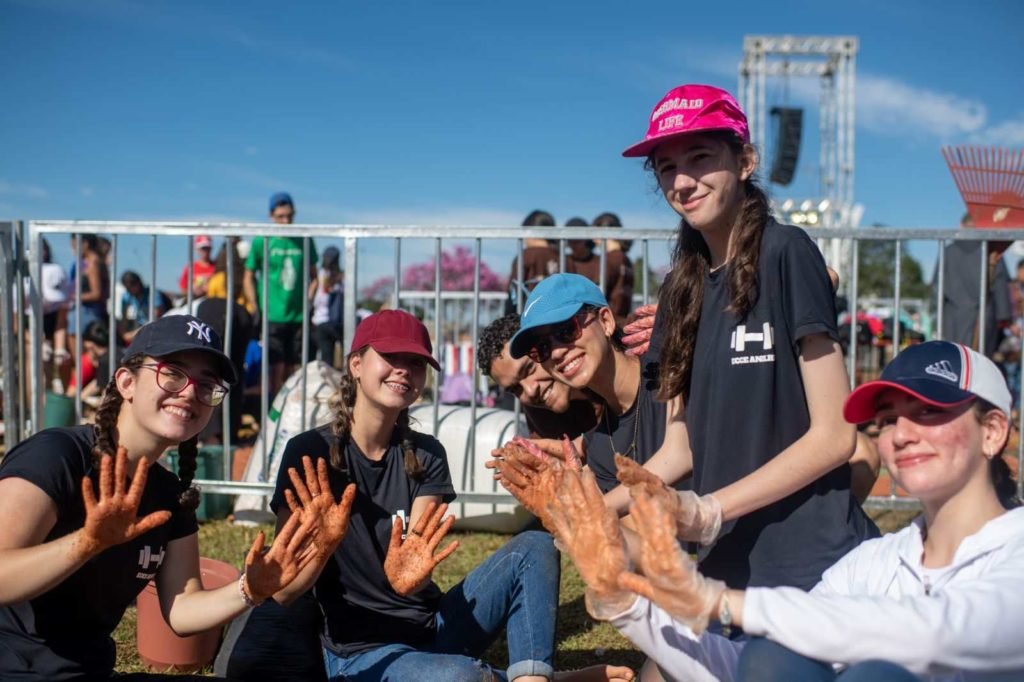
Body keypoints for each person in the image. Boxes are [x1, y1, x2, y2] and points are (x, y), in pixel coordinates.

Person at [549, 340, 1024, 681]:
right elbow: (739, 671)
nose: (900, 434)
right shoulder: (875, 562)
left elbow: (936, 635)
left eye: (928, 412)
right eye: (888, 420)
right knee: (767, 660)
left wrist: (719, 601)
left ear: (993, 431)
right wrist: (626, 602)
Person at [598, 83, 875, 591]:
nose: (682, 181)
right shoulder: (681, 291)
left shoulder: (787, 252)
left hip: (813, 565)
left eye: (700, 158)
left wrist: (711, 509)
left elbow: (836, 437)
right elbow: (679, 452)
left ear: (745, 160)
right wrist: (590, 510)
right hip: (727, 565)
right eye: (665, 167)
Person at [270, 309, 633, 682]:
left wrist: (410, 578)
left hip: (436, 627)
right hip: (361, 653)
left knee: (535, 547)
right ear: (357, 364)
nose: (403, 370)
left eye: (415, 362)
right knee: (460, 677)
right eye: (391, 357)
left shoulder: (427, 453)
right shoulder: (309, 452)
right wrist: (324, 548)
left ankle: (531, 678)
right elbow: (283, 590)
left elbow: (414, 556)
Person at [0, 314, 316, 680]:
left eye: (206, 384)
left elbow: (182, 610)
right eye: (172, 373)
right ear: (126, 382)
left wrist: (250, 589)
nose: (189, 392)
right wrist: (86, 544)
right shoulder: (57, 456)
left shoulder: (170, 495)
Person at [507, 274, 670, 495]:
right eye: (541, 348)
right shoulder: (602, 448)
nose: (556, 352)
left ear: (606, 321)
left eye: (566, 330)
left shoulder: (671, 375)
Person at [478, 312, 600, 441]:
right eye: (515, 389)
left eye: (529, 369)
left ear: (547, 345)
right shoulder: (538, 411)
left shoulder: (610, 367)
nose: (530, 391)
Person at [244, 192, 318, 397]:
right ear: (271, 215)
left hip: (298, 315)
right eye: (280, 217)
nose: (286, 221)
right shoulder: (262, 240)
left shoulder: (304, 238)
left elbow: (314, 277)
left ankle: (293, 418)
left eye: (289, 216)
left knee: (296, 371)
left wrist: (309, 302)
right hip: (271, 315)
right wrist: (254, 305)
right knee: (274, 370)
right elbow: (248, 276)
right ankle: (273, 418)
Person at [938, 212, 1013, 358]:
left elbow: (937, 286)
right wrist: (1004, 317)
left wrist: (937, 316)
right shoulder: (991, 251)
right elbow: (1000, 284)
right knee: (981, 362)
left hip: (953, 317)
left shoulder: (948, 251)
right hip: (985, 316)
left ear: (961, 226)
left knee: (955, 362)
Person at [506, 210, 561, 313]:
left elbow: (514, 290)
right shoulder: (563, 257)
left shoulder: (526, 255)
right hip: (560, 316)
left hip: (530, 317)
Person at [592, 212, 635, 326]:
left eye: (594, 233)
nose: (593, 240)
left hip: (608, 323)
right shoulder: (626, 259)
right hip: (623, 322)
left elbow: (596, 292)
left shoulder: (608, 259)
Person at [311, 245, 344, 366]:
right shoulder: (342, 277)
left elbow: (313, 299)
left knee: (326, 359)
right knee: (346, 356)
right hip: (338, 323)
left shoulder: (319, 276)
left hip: (320, 322)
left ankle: (329, 383)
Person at [178, 234, 216, 299]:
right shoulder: (189, 268)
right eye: (202, 248)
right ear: (196, 249)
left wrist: (210, 289)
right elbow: (183, 289)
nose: (205, 251)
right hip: (194, 302)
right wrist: (193, 291)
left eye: (207, 248)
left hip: (213, 301)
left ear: (211, 248)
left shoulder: (217, 266)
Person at [565, 217, 600, 285]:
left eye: (577, 241)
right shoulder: (564, 261)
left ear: (586, 239)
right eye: (570, 241)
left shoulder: (599, 262)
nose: (573, 245)